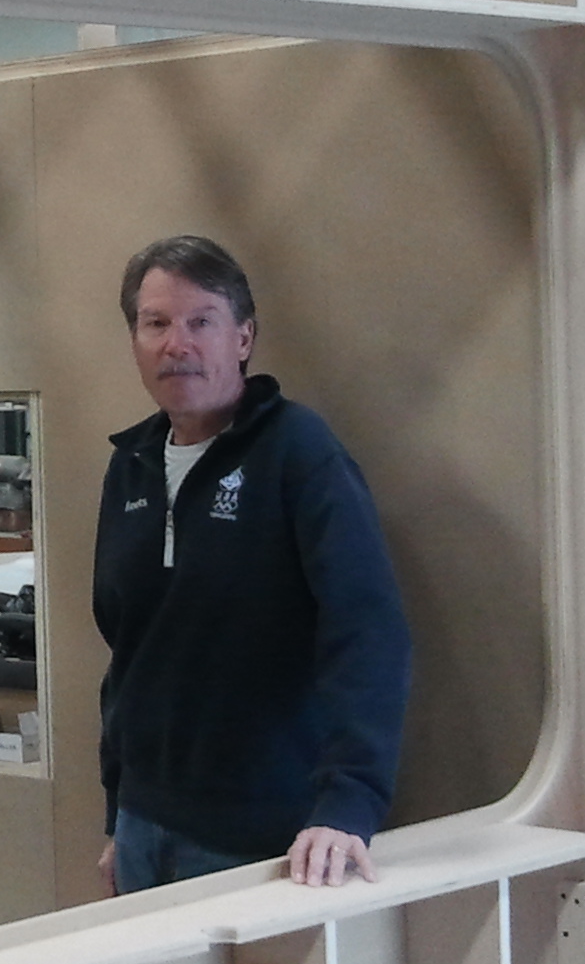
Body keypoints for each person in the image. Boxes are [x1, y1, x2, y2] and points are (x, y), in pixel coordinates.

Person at [92, 236, 410, 894]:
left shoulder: (298, 453)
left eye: (200, 321)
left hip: (270, 840)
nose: (177, 343)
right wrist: (117, 812)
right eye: (156, 323)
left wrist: (348, 806)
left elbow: (370, 634)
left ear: (242, 338)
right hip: (144, 829)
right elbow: (128, 655)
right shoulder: (130, 469)